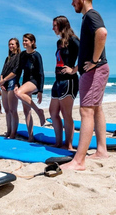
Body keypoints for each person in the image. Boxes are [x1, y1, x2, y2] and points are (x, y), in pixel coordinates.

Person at [61, 0, 110, 171]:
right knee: (96, 109)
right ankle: (101, 150)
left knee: (86, 111)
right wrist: (77, 68)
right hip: (94, 70)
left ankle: (79, 161)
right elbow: (88, 46)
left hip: (95, 71)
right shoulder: (88, 18)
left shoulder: (91, 15)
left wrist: (94, 61)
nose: (71, 2)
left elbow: (102, 33)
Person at [49, 16, 80, 149]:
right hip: (58, 81)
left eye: (55, 25)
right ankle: (58, 142)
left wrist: (73, 70)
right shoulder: (59, 42)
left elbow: (86, 55)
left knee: (67, 114)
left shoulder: (73, 39)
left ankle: (68, 145)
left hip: (69, 81)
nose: (53, 28)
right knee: (53, 112)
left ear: (62, 25)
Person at [14, 33, 46, 142]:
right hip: (25, 81)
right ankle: (30, 136)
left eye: (26, 40)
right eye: (23, 40)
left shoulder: (37, 55)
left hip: (35, 82)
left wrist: (40, 91)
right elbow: (18, 71)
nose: (24, 42)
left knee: (19, 93)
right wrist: (16, 84)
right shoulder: (22, 55)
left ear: (32, 42)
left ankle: (39, 111)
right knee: (26, 111)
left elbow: (41, 73)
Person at [0, 38, 21, 138]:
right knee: (7, 110)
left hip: (12, 82)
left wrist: (4, 80)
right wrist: (1, 81)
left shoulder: (19, 56)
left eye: (12, 44)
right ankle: (8, 131)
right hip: (4, 83)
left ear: (17, 45)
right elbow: (3, 71)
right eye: (9, 44)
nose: (10, 46)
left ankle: (13, 132)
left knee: (13, 110)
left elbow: (15, 71)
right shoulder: (8, 58)